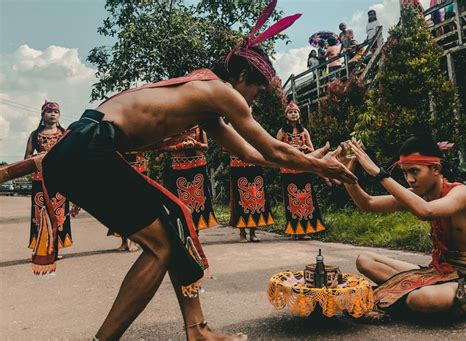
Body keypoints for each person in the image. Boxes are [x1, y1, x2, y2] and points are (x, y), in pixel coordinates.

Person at [39, 1, 356, 339]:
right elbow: (273, 148)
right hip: (88, 148)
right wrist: (322, 166)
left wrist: (313, 162)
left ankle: (198, 330)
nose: (256, 99)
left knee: (176, 224)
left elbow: (253, 153)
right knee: (161, 246)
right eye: (258, 90)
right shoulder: (221, 92)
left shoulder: (204, 98)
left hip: (82, 146)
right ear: (243, 77)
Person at [340, 135, 466, 321]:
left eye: (415, 171)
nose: (409, 179)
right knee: (365, 260)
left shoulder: (462, 193)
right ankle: (412, 297)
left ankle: (405, 300)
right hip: (439, 271)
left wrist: (379, 173)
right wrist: (347, 176)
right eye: (404, 173)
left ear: (435, 168)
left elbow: (426, 211)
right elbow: (368, 203)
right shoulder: (418, 195)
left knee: (423, 299)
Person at [24, 101, 73, 256]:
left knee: (58, 213)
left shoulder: (64, 133)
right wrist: (37, 157)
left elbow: (71, 155)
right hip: (40, 179)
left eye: (56, 112)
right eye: (49, 111)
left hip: (60, 178)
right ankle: (39, 248)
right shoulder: (35, 135)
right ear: (42, 115)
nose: (53, 114)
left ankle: (55, 249)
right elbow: (27, 157)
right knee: (40, 214)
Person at [277, 101, 326, 240]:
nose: (293, 114)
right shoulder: (282, 132)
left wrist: (306, 149)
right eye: (290, 112)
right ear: (286, 116)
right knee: (292, 200)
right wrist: (291, 150)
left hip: (303, 168)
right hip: (288, 169)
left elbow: (312, 149)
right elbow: (277, 149)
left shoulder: (304, 132)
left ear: (299, 115)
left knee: (305, 198)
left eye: (295, 112)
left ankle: (305, 230)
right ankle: (294, 230)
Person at [162, 127, 219, 233]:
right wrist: (180, 146)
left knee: (198, 199)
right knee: (180, 199)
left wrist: (196, 144)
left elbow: (206, 146)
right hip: (179, 167)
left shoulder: (200, 128)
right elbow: (164, 146)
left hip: (198, 166)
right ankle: (183, 228)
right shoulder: (172, 127)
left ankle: (196, 230)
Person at [229, 154, 274, 243]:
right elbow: (224, 147)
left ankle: (253, 232)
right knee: (240, 198)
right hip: (238, 165)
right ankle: (242, 233)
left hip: (254, 163)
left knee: (255, 197)